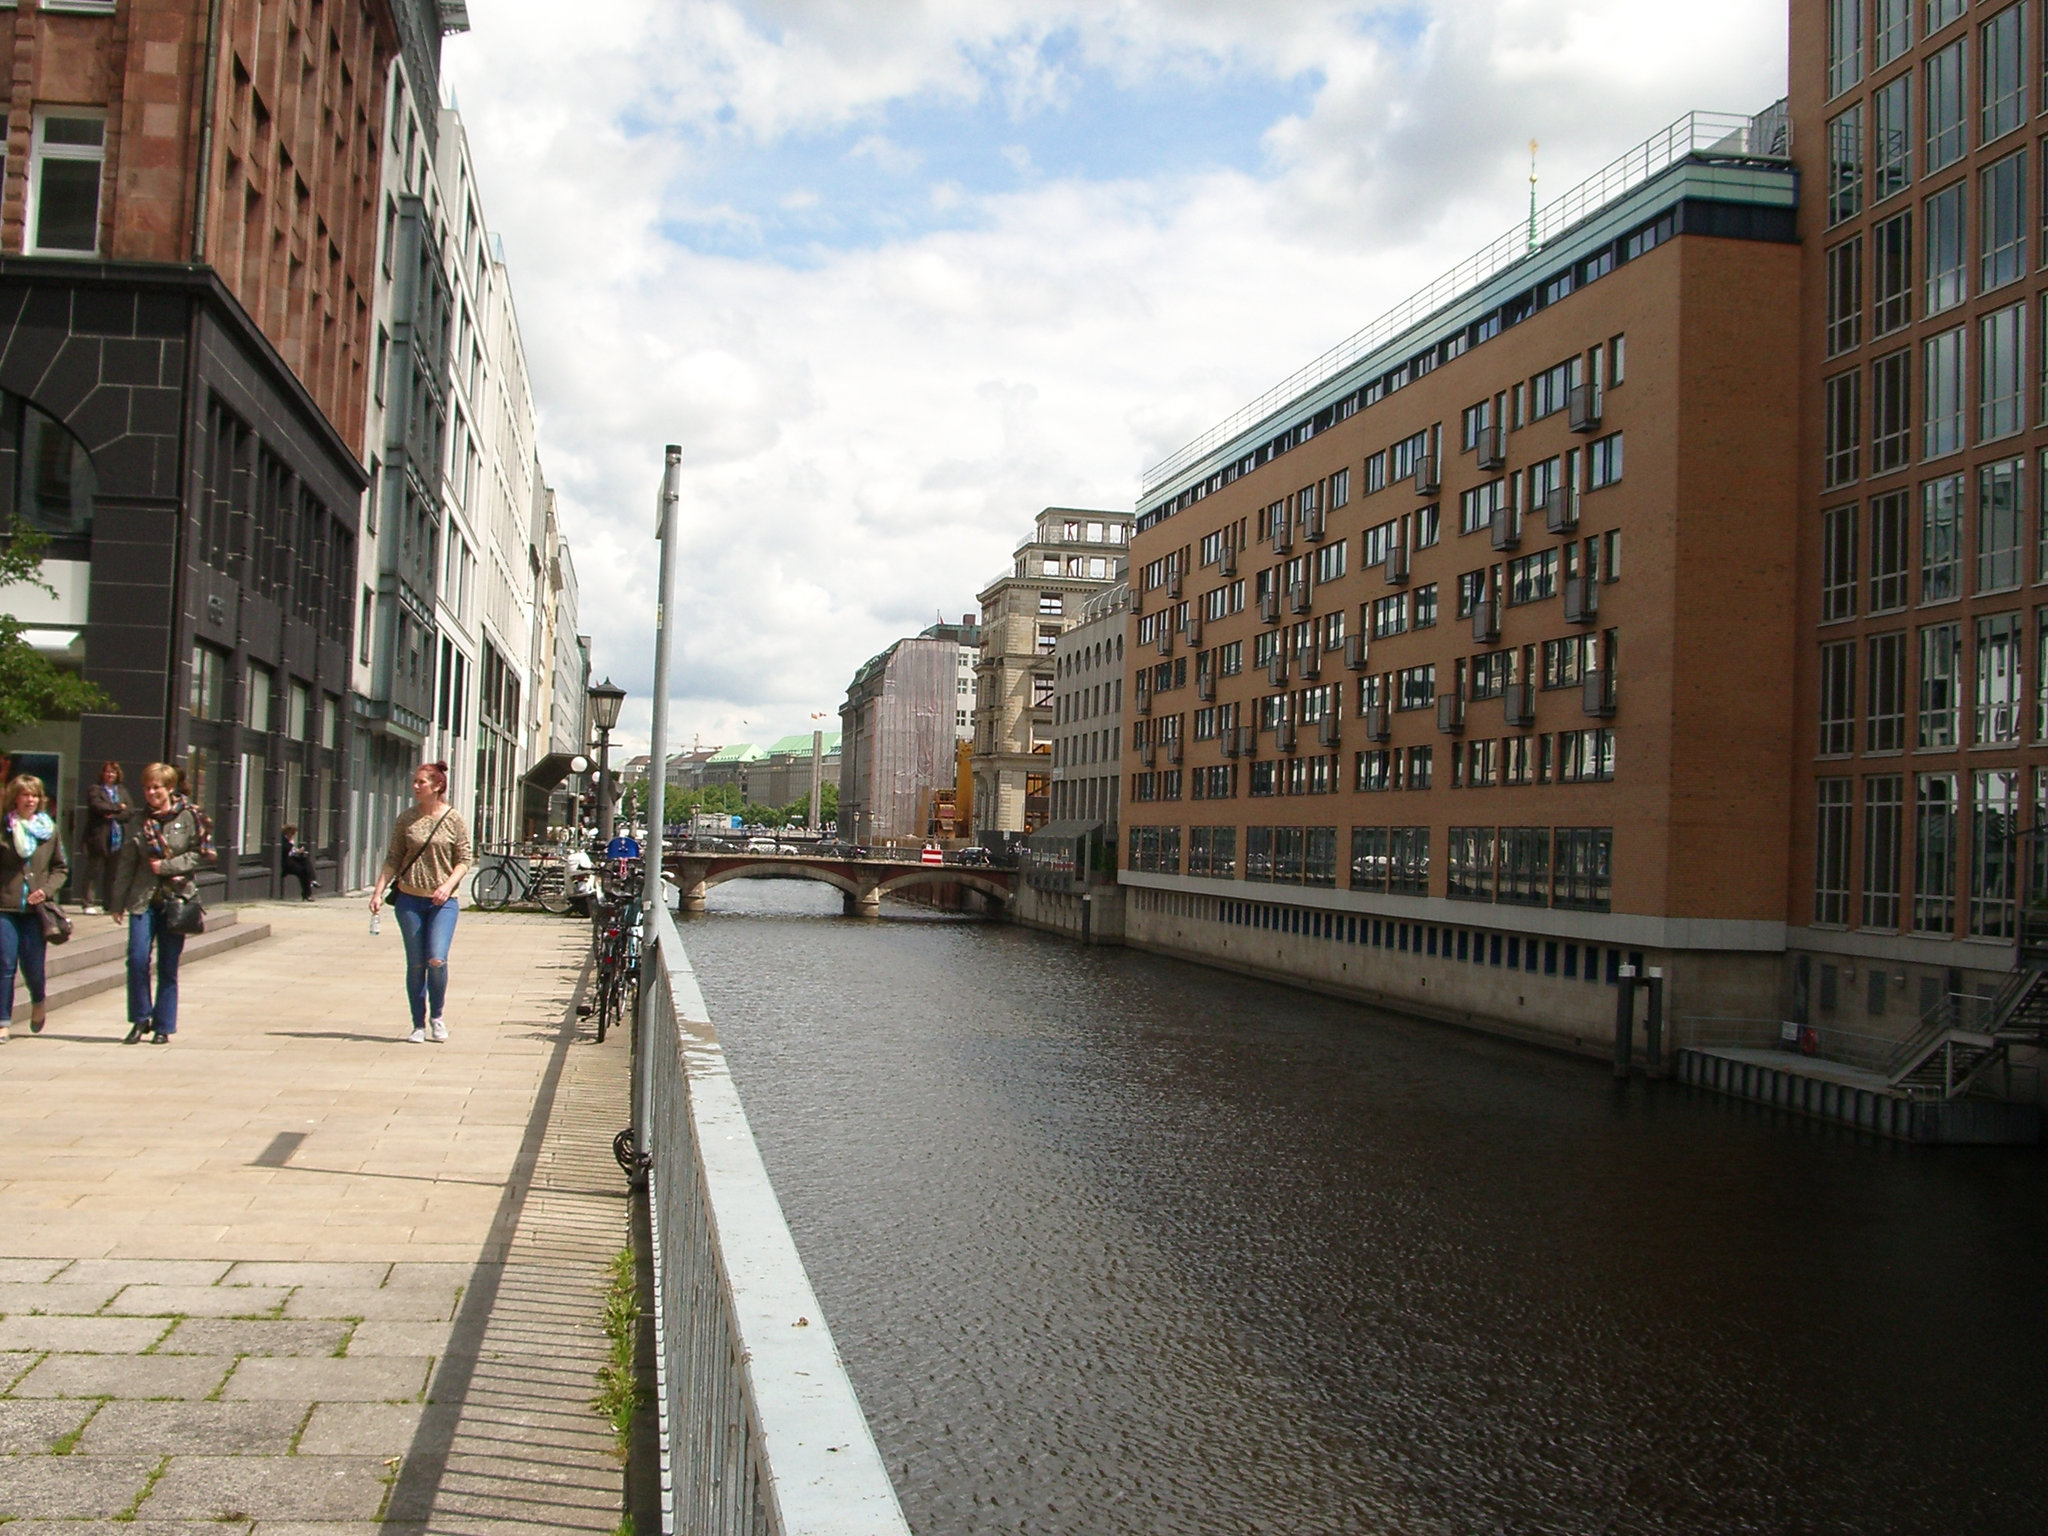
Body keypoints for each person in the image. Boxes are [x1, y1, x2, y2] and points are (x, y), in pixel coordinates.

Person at [110, 762, 215, 1045]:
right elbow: (126, 863)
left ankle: (164, 1026)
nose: (151, 792)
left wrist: (166, 866)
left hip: (176, 899)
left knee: (168, 965)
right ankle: (140, 1018)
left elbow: (199, 854)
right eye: (146, 788)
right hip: (142, 899)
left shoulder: (190, 816)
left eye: (156, 787)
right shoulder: (137, 820)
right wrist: (117, 902)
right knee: (137, 958)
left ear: (169, 788)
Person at [369, 762, 472, 1044]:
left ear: (437, 786)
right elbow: (393, 858)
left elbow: (465, 859)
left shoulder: (453, 819)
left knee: (436, 959)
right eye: (414, 782)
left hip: (443, 902)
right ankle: (418, 1024)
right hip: (409, 900)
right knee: (416, 964)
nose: (415, 786)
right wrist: (378, 892)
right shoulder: (406, 819)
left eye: (421, 782)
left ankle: (437, 1017)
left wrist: (448, 886)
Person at [0, 773, 67, 1042]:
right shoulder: (4, 827)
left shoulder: (49, 830)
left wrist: (47, 890)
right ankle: (3, 1021)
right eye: (25, 794)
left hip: (36, 911)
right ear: (15, 797)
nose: (30, 799)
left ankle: (38, 1000)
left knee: (33, 966)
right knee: (5, 964)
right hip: (6, 906)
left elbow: (61, 867)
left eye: (35, 795)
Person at [82, 760, 130, 914]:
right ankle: (88, 903)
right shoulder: (95, 790)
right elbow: (98, 806)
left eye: (113, 772)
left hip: (117, 837)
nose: (110, 775)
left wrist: (115, 814)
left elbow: (130, 811)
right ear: (102, 774)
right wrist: (117, 807)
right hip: (99, 837)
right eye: (108, 772)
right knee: (93, 871)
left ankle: (108, 904)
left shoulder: (121, 791)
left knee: (113, 874)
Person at [280, 824, 318, 901]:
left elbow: (292, 851)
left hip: (290, 858)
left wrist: (298, 851)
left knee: (305, 860)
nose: (292, 836)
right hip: (285, 861)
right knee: (303, 872)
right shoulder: (283, 840)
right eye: (291, 834)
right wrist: (291, 844)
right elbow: (285, 850)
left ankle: (312, 880)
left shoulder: (289, 840)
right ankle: (307, 892)